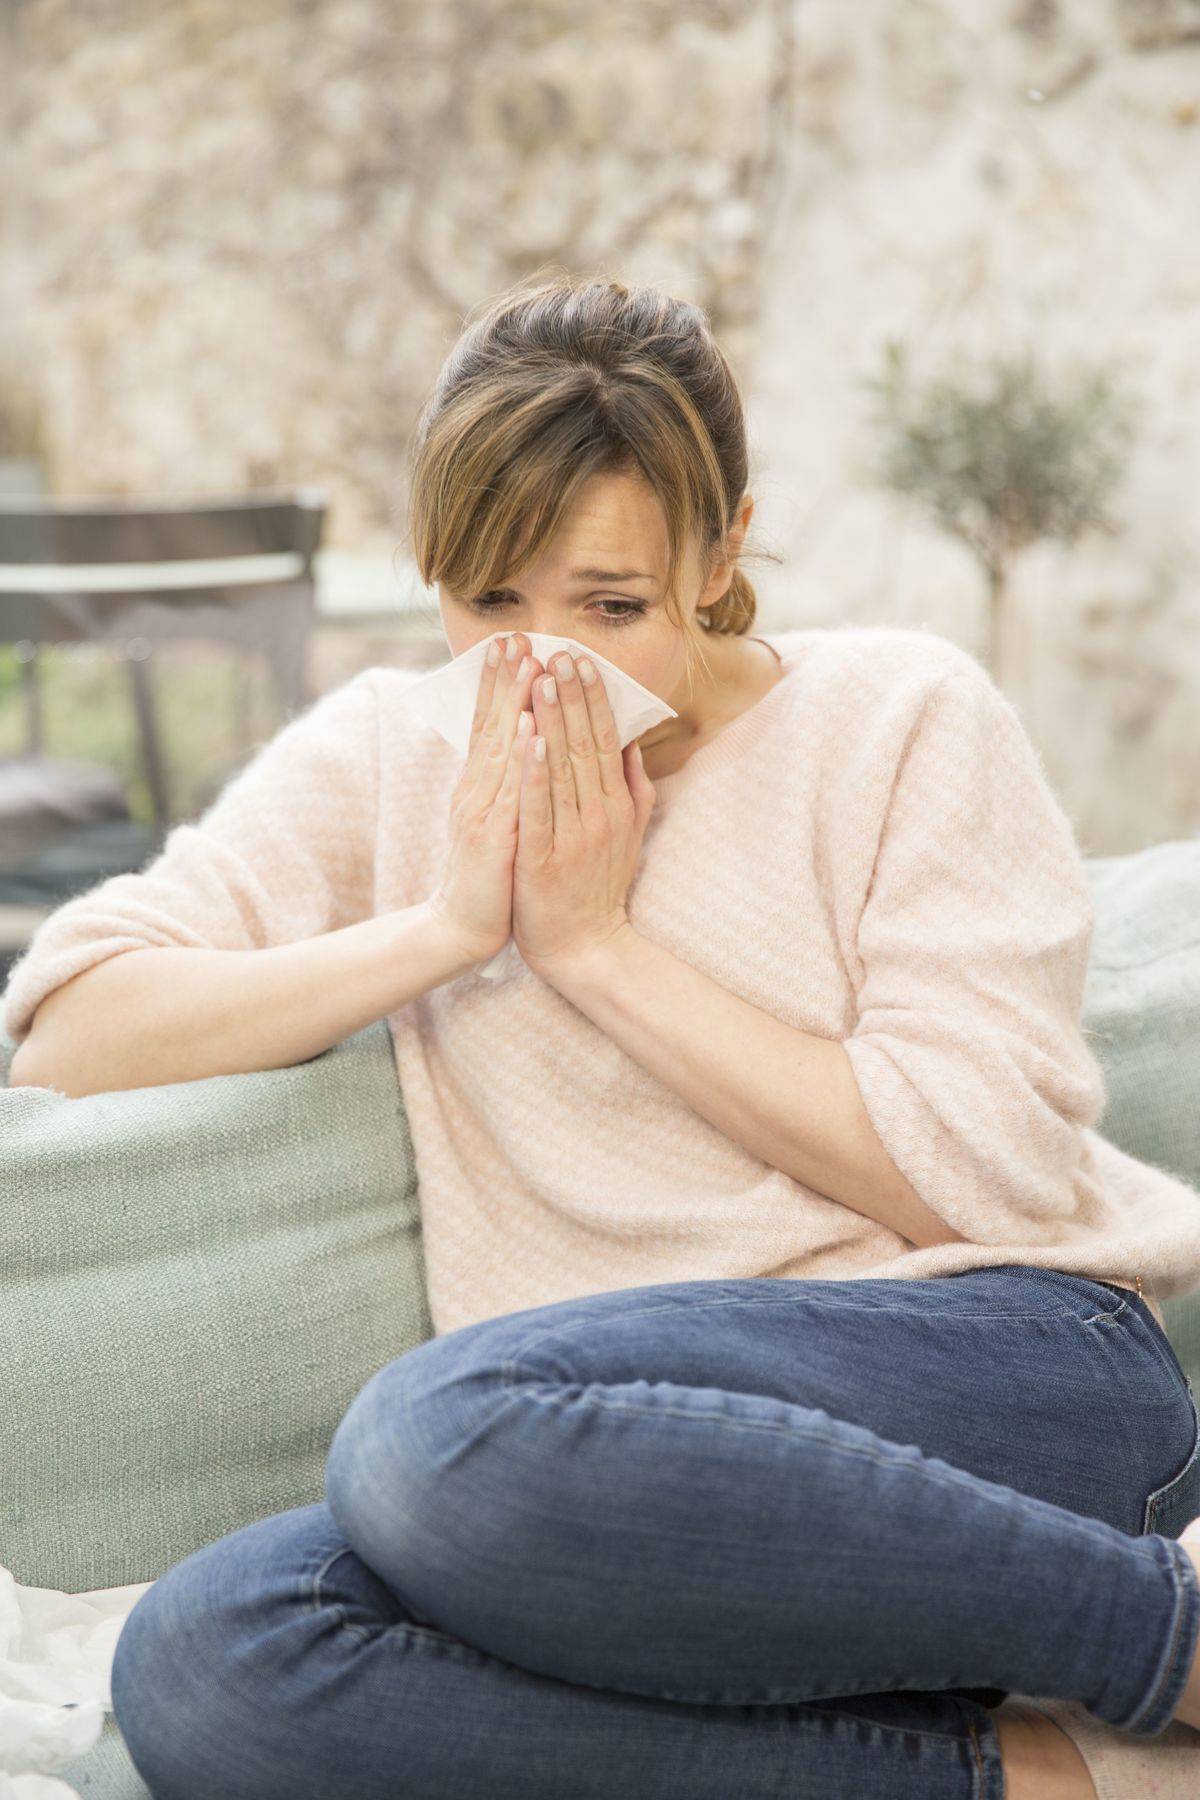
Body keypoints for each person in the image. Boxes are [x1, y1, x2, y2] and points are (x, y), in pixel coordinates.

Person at [8, 273, 1200, 1798]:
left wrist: (594, 949)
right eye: (490, 602)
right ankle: (1055, 1782)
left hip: (1005, 1372)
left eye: (610, 605)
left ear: (718, 556)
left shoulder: (901, 717)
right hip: (603, 1492)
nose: (543, 666)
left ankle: (1167, 1643)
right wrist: (444, 928)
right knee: (211, 1653)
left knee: (431, 1435)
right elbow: (68, 1028)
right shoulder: (396, 751)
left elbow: (982, 1177)